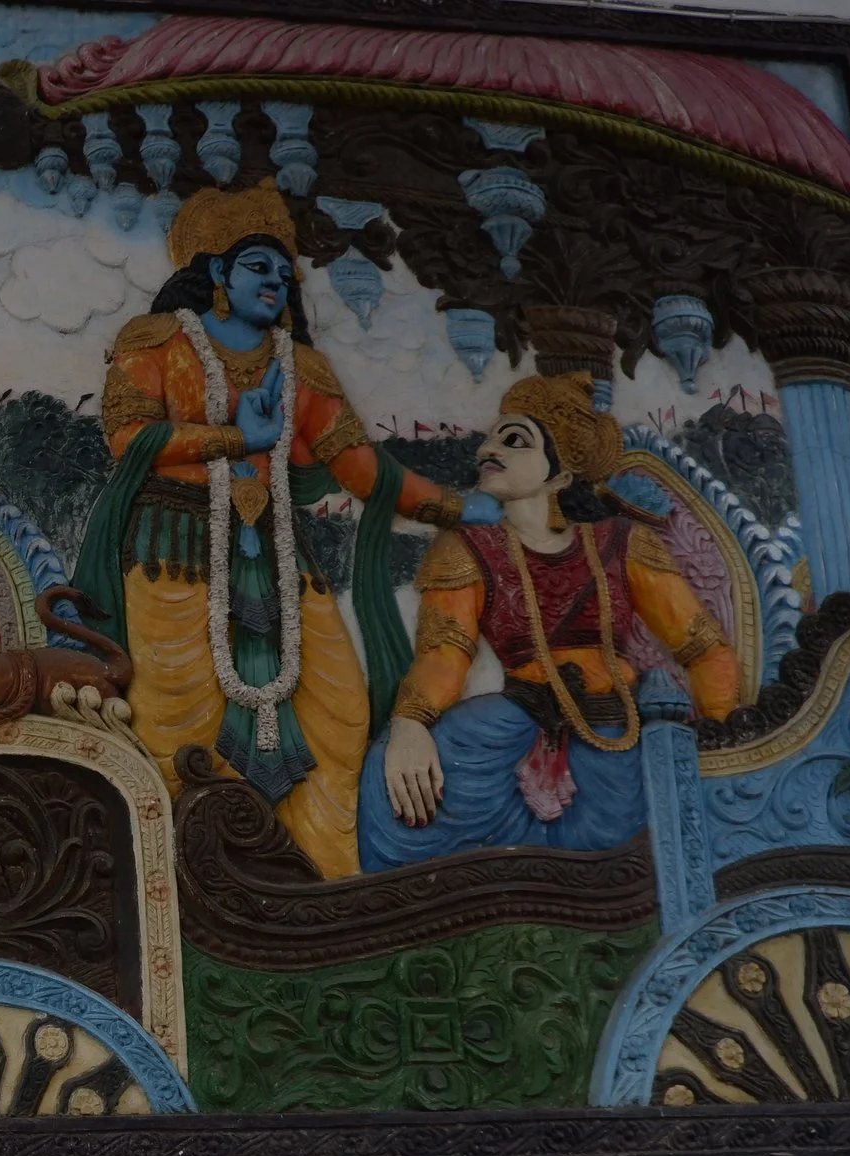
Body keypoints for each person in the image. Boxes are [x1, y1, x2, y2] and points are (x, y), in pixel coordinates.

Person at [73, 180, 486, 879]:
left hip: (282, 561)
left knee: (340, 711)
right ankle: (185, 887)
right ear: (216, 273)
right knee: (170, 717)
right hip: (174, 560)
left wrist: (457, 507)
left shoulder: (303, 369)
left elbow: (364, 472)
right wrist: (238, 437)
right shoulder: (156, 342)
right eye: (259, 266)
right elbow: (126, 434)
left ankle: (322, 885)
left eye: (284, 273)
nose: (277, 282)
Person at [358, 371, 741, 869]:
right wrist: (410, 725)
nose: (486, 450)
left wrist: (715, 742)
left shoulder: (623, 545)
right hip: (504, 735)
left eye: (513, 440)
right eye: (490, 437)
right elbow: (444, 655)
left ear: (559, 475)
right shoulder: (465, 549)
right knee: (388, 787)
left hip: (615, 735)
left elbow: (705, 650)